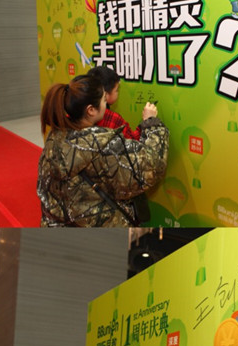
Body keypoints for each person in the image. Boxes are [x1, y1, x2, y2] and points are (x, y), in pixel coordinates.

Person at [37, 74, 169, 227]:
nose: (107, 105)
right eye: (104, 101)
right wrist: (151, 123)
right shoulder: (98, 145)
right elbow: (151, 165)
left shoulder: (55, 137)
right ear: (91, 110)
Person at [87, 65, 142, 140]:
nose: (118, 93)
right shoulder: (113, 119)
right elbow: (133, 140)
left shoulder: (78, 114)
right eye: (116, 90)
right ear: (105, 95)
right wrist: (148, 121)